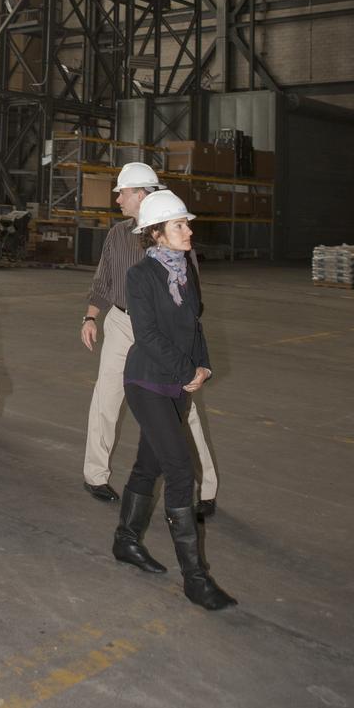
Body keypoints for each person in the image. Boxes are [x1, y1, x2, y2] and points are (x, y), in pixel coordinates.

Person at [113, 190, 236, 611]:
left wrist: (203, 366)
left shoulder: (185, 268)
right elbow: (146, 336)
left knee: (149, 465)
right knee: (181, 473)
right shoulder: (140, 275)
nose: (188, 230)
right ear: (157, 235)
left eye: (187, 223)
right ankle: (195, 579)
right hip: (147, 383)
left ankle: (126, 541)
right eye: (180, 225)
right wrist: (187, 372)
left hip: (179, 386)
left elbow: (194, 322)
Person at [81, 162, 218, 518]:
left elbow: (192, 296)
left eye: (122, 191)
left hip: (164, 332)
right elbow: (104, 280)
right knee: (106, 397)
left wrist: (190, 347)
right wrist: (91, 316)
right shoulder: (117, 235)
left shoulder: (175, 235)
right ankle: (95, 475)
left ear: (141, 194)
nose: (117, 197)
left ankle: (206, 489)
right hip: (123, 324)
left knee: (183, 409)